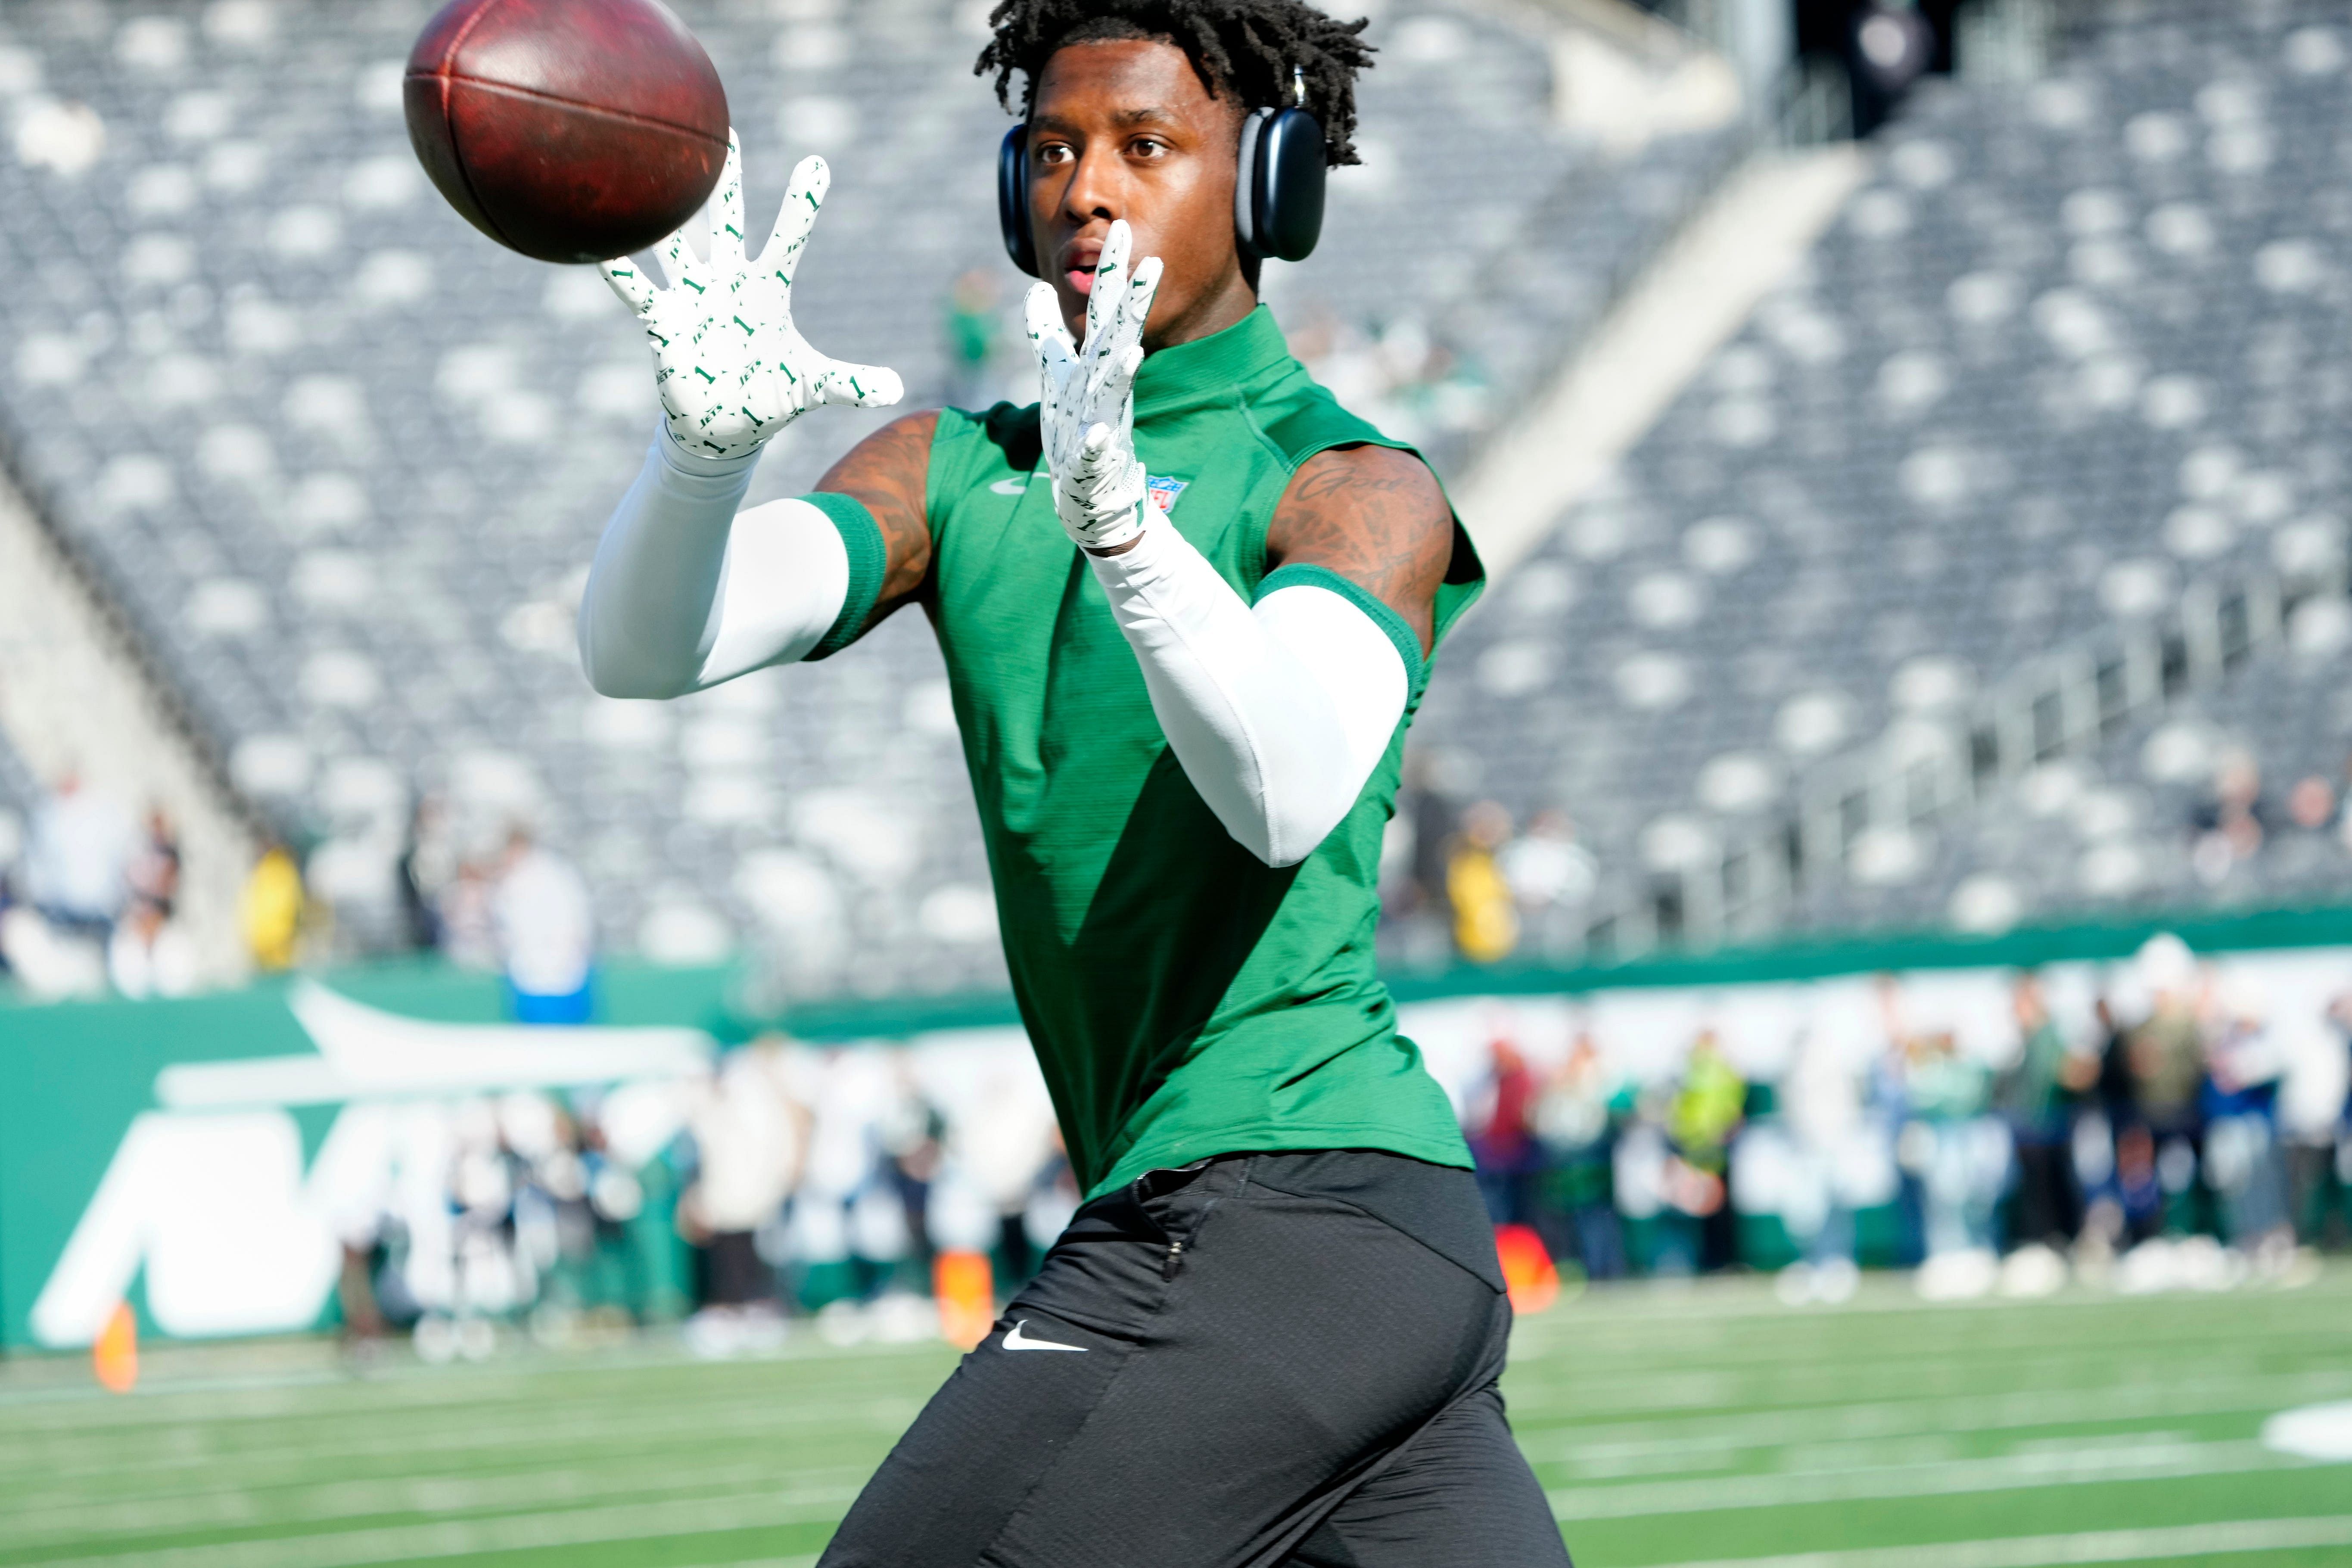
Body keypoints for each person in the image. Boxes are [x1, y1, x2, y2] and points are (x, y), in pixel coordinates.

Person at [571, 2, 1562, 1563]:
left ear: (1267, 184)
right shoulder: (953, 469)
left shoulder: (1356, 483)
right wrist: (696, 464)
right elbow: (644, 646)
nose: (1084, 188)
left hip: (1279, 1201)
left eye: (1145, 146)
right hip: (1338, 1242)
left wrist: (1127, 529)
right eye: (1050, 149)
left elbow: (1285, 784)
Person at [489, 826, 595, 1024]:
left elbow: (575, 919)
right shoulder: (512, 881)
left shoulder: (555, 874)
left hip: (562, 967)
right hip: (531, 971)